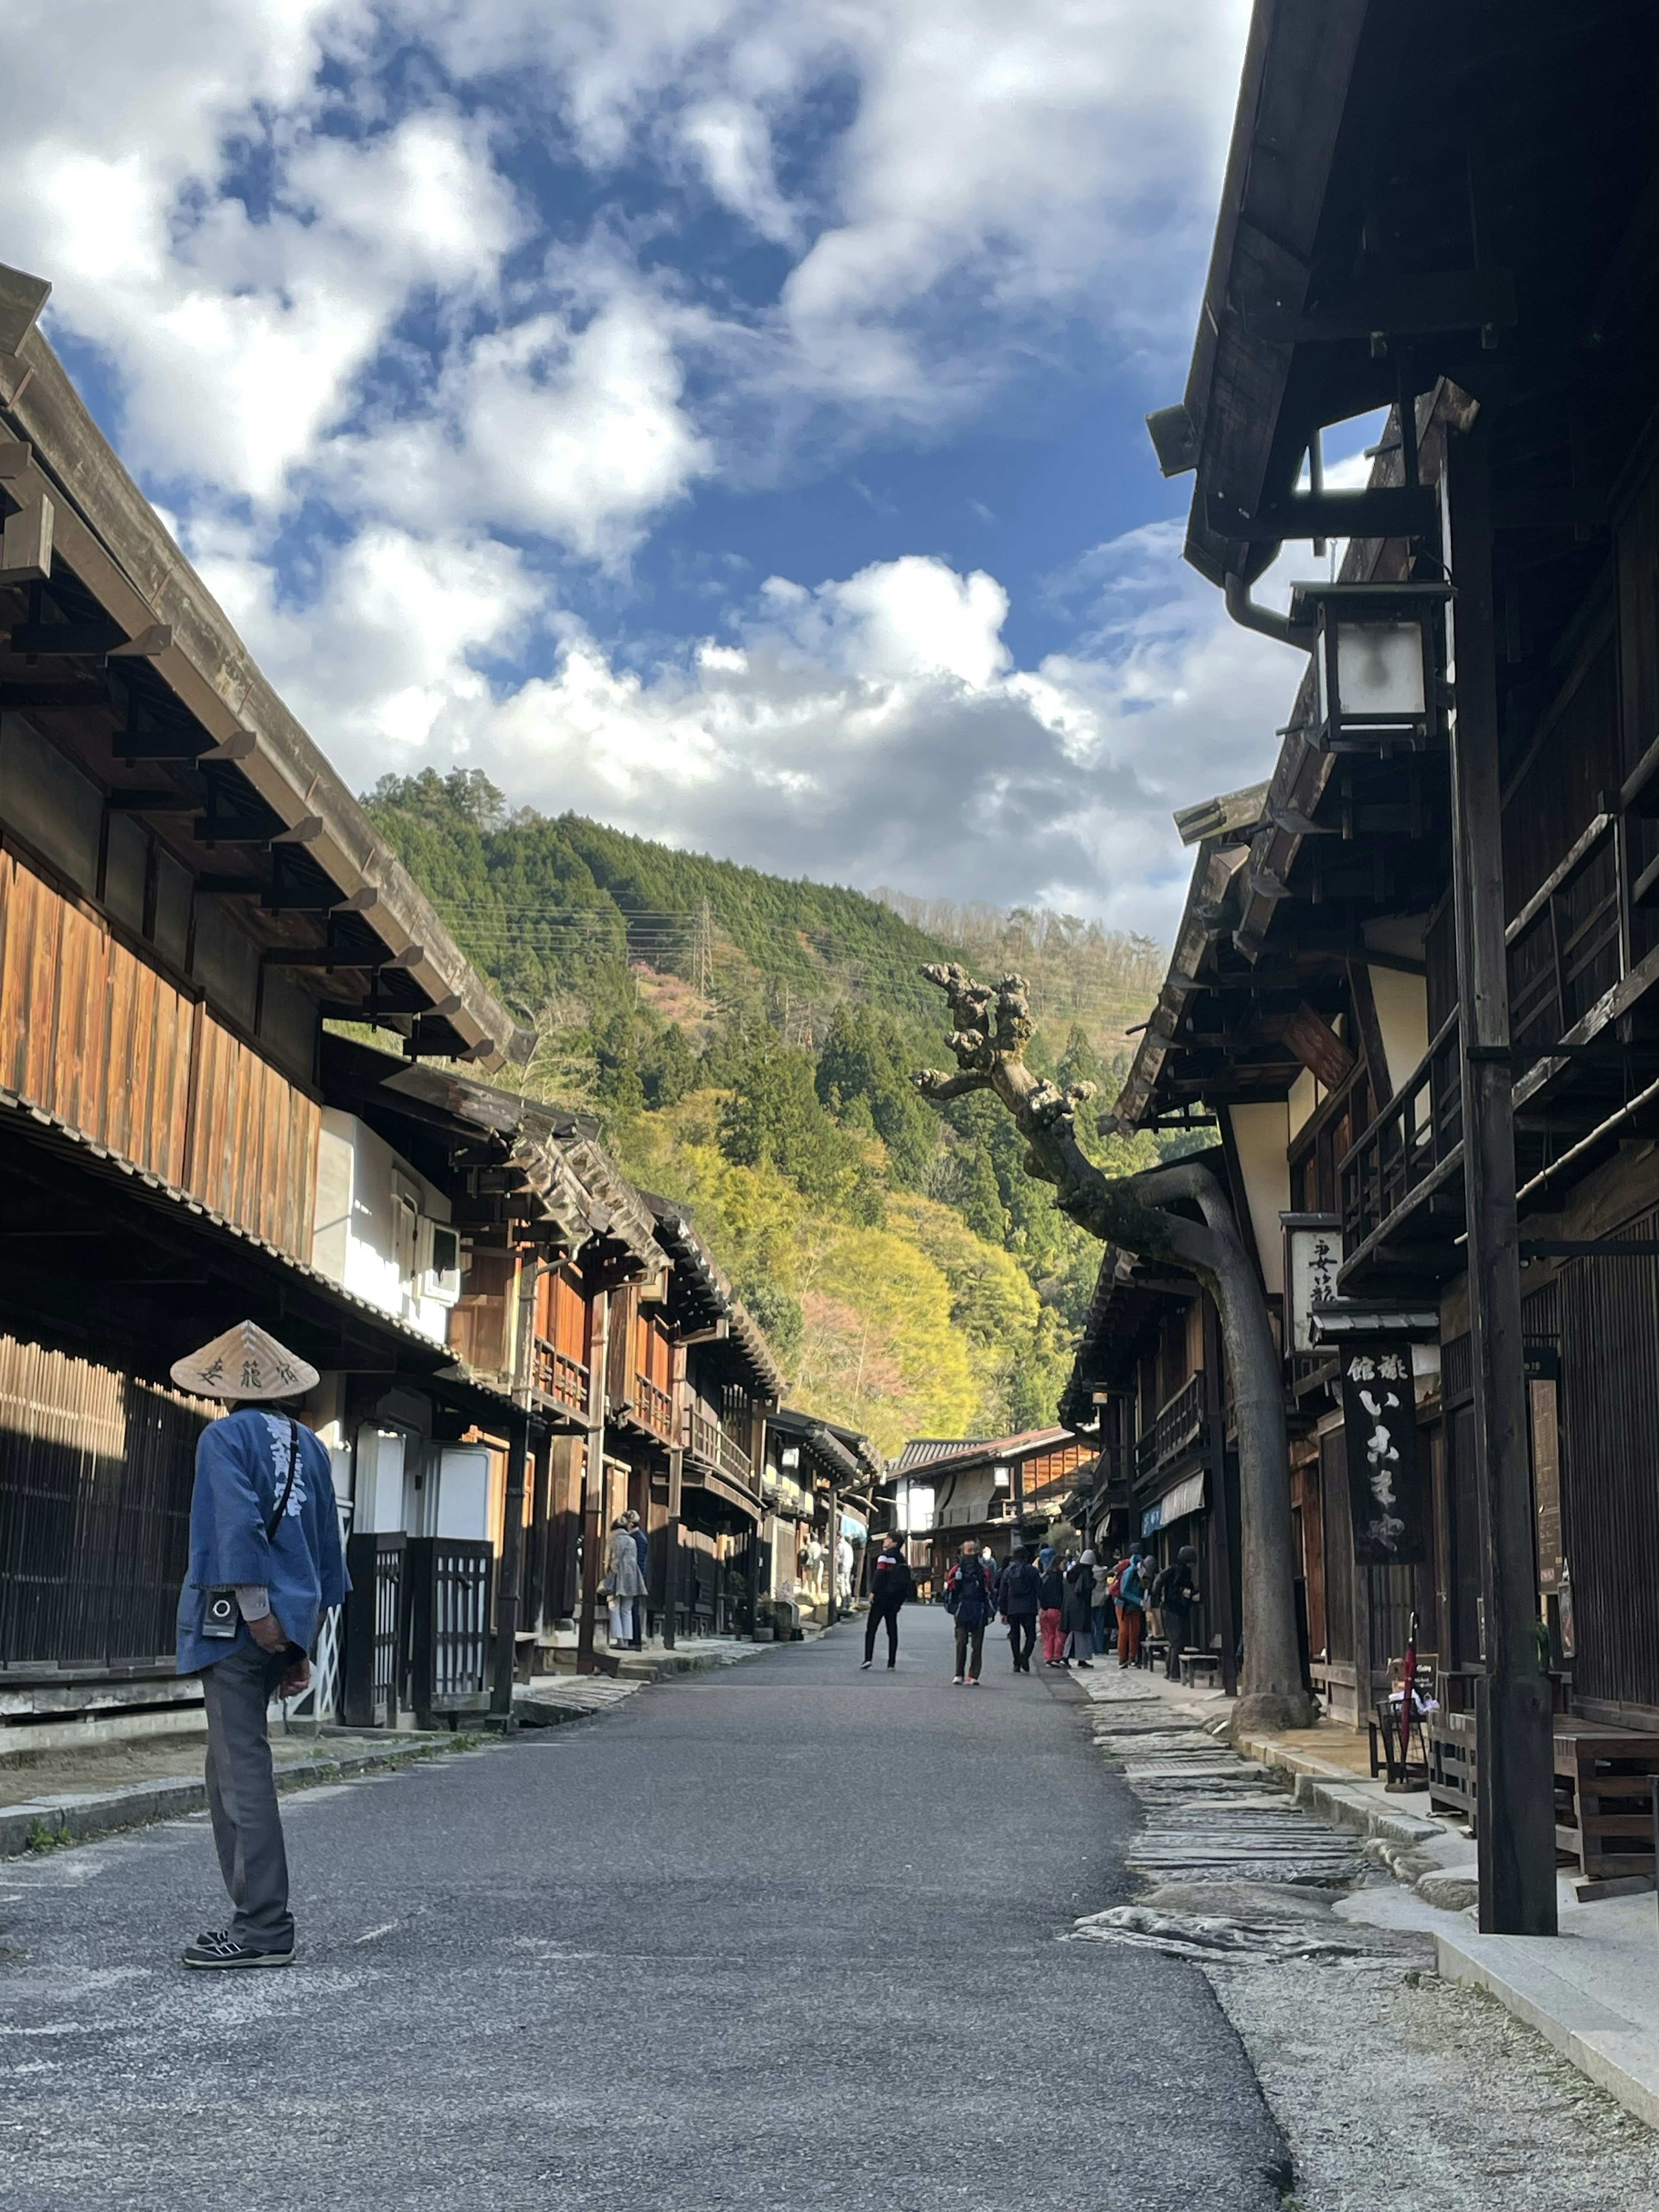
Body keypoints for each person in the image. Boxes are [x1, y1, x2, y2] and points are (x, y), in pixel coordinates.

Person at [172, 1320, 346, 1970]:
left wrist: (258, 1614)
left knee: (239, 1771)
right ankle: (258, 1918)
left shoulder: (223, 1437)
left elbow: (236, 1529)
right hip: (292, 1625)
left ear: (224, 1390)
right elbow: (329, 1554)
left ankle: (263, 1926)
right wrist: (300, 1645)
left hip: (241, 1625)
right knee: (232, 1767)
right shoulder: (311, 1446)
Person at [944, 1538, 994, 1684]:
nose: (972, 1554)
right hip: (962, 1609)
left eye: (975, 1551)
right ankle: (959, 1674)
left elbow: (990, 1591)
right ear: (962, 1553)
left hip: (979, 1609)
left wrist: (991, 1612)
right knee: (961, 1643)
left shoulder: (984, 1570)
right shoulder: (956, 1570)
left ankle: (974, 1676)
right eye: (969, 1551)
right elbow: (950, 1592)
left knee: (977, 1645)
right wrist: (954, 1610)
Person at [862, 1535, 914, 1669]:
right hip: (895, 1598)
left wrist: (873, 1591)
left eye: (887, 1539)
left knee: (872, 1628)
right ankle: (891, 1663)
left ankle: (868, 1659)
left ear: (894, 1542)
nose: (885, 1541)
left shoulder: (885, 1556)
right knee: (892, 1630)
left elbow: (880, 1574)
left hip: (881, 1597)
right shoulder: (902, 1559)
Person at [997, 1545, 1041, 1672]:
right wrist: (1043, 1605)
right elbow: (1039, 1589)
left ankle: (1017, 1661)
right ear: (1026, 1556)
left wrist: (1003, 1611)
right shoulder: (1032, 1571)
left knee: (1014, 1635)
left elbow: (1003, 1593)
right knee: (1031, 1635)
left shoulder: (1008, 1571)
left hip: (1013, 1607)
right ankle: (1024, 1655)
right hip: (1029, 1607)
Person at [1157, 1544, 1199, 1679]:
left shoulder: (1173, 1568)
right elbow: (1178, 1590)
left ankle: (1169, 1671)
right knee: (1178, 1642)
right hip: (1175, 1610)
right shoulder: (1183, 1571)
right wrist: (1191, 1594)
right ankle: (1175, 1673)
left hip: (1167, 1609)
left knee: (1173, 1642)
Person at [604, 1514, 645, 1646]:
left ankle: (619, 1640)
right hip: (632, 1577)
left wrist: (607, 1574)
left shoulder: (612, 1539)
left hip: (617, 1574)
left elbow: (609, 1559)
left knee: (614, 1607)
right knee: (627, 1609)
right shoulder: (631, 1540)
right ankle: (628, 1640)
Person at [1063, 1549, 1096, 1670]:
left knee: (1074, 1634)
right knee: (1081, 1635)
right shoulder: (1087, 1572)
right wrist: (1095, 1582)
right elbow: (1087, 1587)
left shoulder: (1073, 1571)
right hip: (1081, 1607)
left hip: (1071, 1607)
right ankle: (1074, 1658)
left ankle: (1072, 1658)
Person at [1116, 1548, 1147, 1669]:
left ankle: (1132, 1658)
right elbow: (1124, 1592)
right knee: (1124, 1631)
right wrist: (1139, 1601)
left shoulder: (1140, 1572)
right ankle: (1122, 1657)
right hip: (1123, 1605)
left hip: (1135, 1606)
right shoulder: (1130, 1572)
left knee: (1135, 1631)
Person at [1037, 1551, 1067, 1666]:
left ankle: (1048, 1657)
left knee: (1048, 1635)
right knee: (1059, 1635)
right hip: (1057, 1609)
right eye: (1064, 1564)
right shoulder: (1059, 1578)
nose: (1065, 1566)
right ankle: (1056, 1656)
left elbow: (1042, 1593)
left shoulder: (1047, 1576)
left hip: (1045, 1610)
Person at [625, 1509, 649, 1648]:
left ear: (631, 1524)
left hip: (636, 1576)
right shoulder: (637, 1537)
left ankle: (635, 1641)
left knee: (632, 1608)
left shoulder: (638, 1539)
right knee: (632, 1608)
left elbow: (639, 1561)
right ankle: (635, 1640)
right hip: (636, 1575)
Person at [1091, 1549, 1115, 1654]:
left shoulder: (1090, 1572)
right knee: (1100, 1626)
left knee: (1091, 1626)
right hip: (1102, 1599)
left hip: (1091, 1600)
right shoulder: (1105, 1571)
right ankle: (1100, 1648)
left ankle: (1092, 1648)